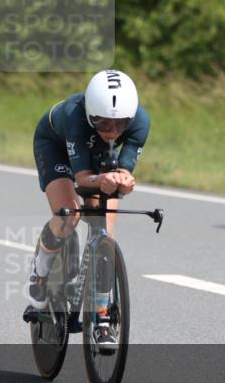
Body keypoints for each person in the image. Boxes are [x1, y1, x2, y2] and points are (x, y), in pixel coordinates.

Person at [22, 69, 150, 347]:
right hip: (55, 146)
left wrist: (125, 180)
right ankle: (40, 273)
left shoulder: (140, 121)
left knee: (106, 228)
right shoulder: (74, 115)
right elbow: (82, 179)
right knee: (68, 215)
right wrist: (100, 179)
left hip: (98, 158)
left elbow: (123, 172)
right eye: (103, 123)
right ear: (91, 114)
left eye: (120, 124)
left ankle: (102, 316)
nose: (112, 131)